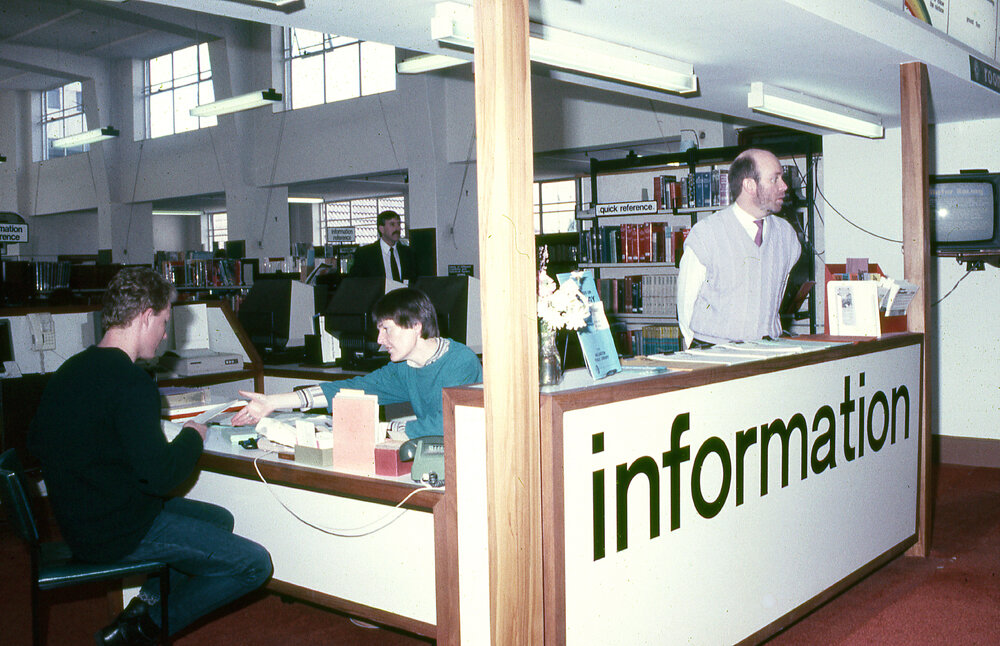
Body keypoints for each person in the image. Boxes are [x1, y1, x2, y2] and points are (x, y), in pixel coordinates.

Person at [28, 267, 272, 646]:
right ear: (145, 317)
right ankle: (143, 631)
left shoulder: (70, 370)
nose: (163, 334)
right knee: (254, 564)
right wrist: (193, 436)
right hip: (117, 532)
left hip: (81, 521)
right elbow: (161, 477)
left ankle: (143, 607)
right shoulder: (132, 382)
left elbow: (40, 443)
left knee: (218, 519)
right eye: (163, 321)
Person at [231, 287, 482, 439]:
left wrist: (382, 430)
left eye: (386, 329)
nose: (379, 340)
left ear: (415, 326)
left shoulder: (460, 362)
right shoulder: (405, 368)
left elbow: (445, 425)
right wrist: (274, 402)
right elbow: (352, 389)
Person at [676, 148, 801, 348]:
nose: (784, 186)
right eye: (774, 179)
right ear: (750, 185)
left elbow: (775, 295)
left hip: (767, 350)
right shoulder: (706, 234)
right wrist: (698, 351)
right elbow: (686, 302)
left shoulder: (787, 236)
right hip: (713, 351)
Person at [349, 209, 417, 282]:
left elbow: (414, 281)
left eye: (399, 224)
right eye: (392, 224)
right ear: (381, 229)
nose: (398, 228)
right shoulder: (365, 254)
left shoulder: (408, 253)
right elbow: (355, 283)